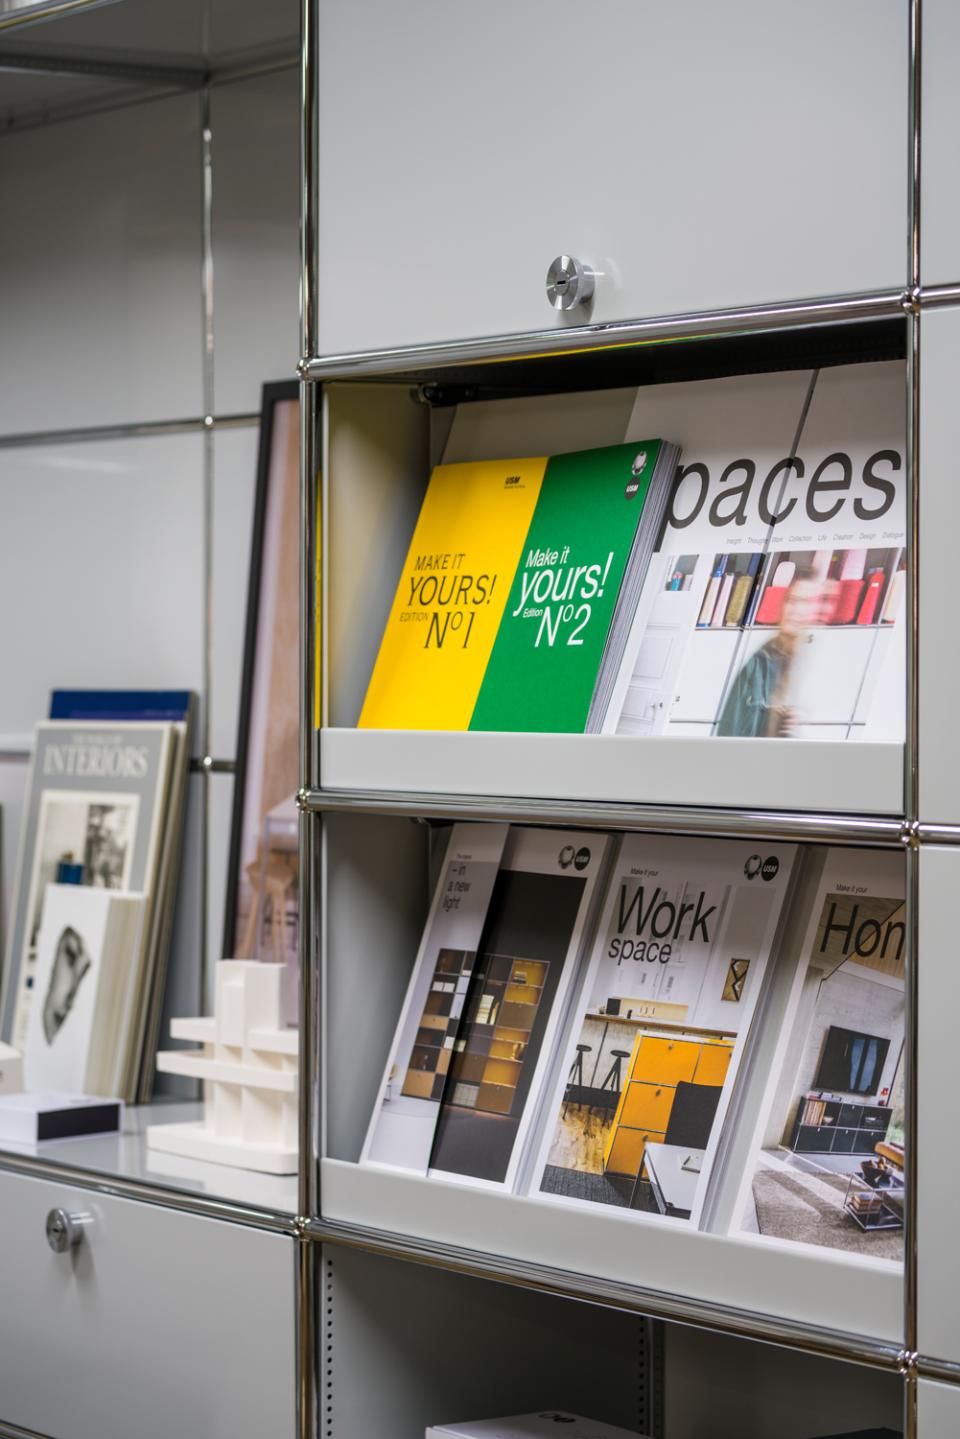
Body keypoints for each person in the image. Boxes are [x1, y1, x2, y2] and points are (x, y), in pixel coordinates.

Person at [716, 566, 822, 738]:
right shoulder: (758, 662)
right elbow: (728, 732)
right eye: (792, 600)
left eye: (806, 602)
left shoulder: (816, 658)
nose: (796, 610)